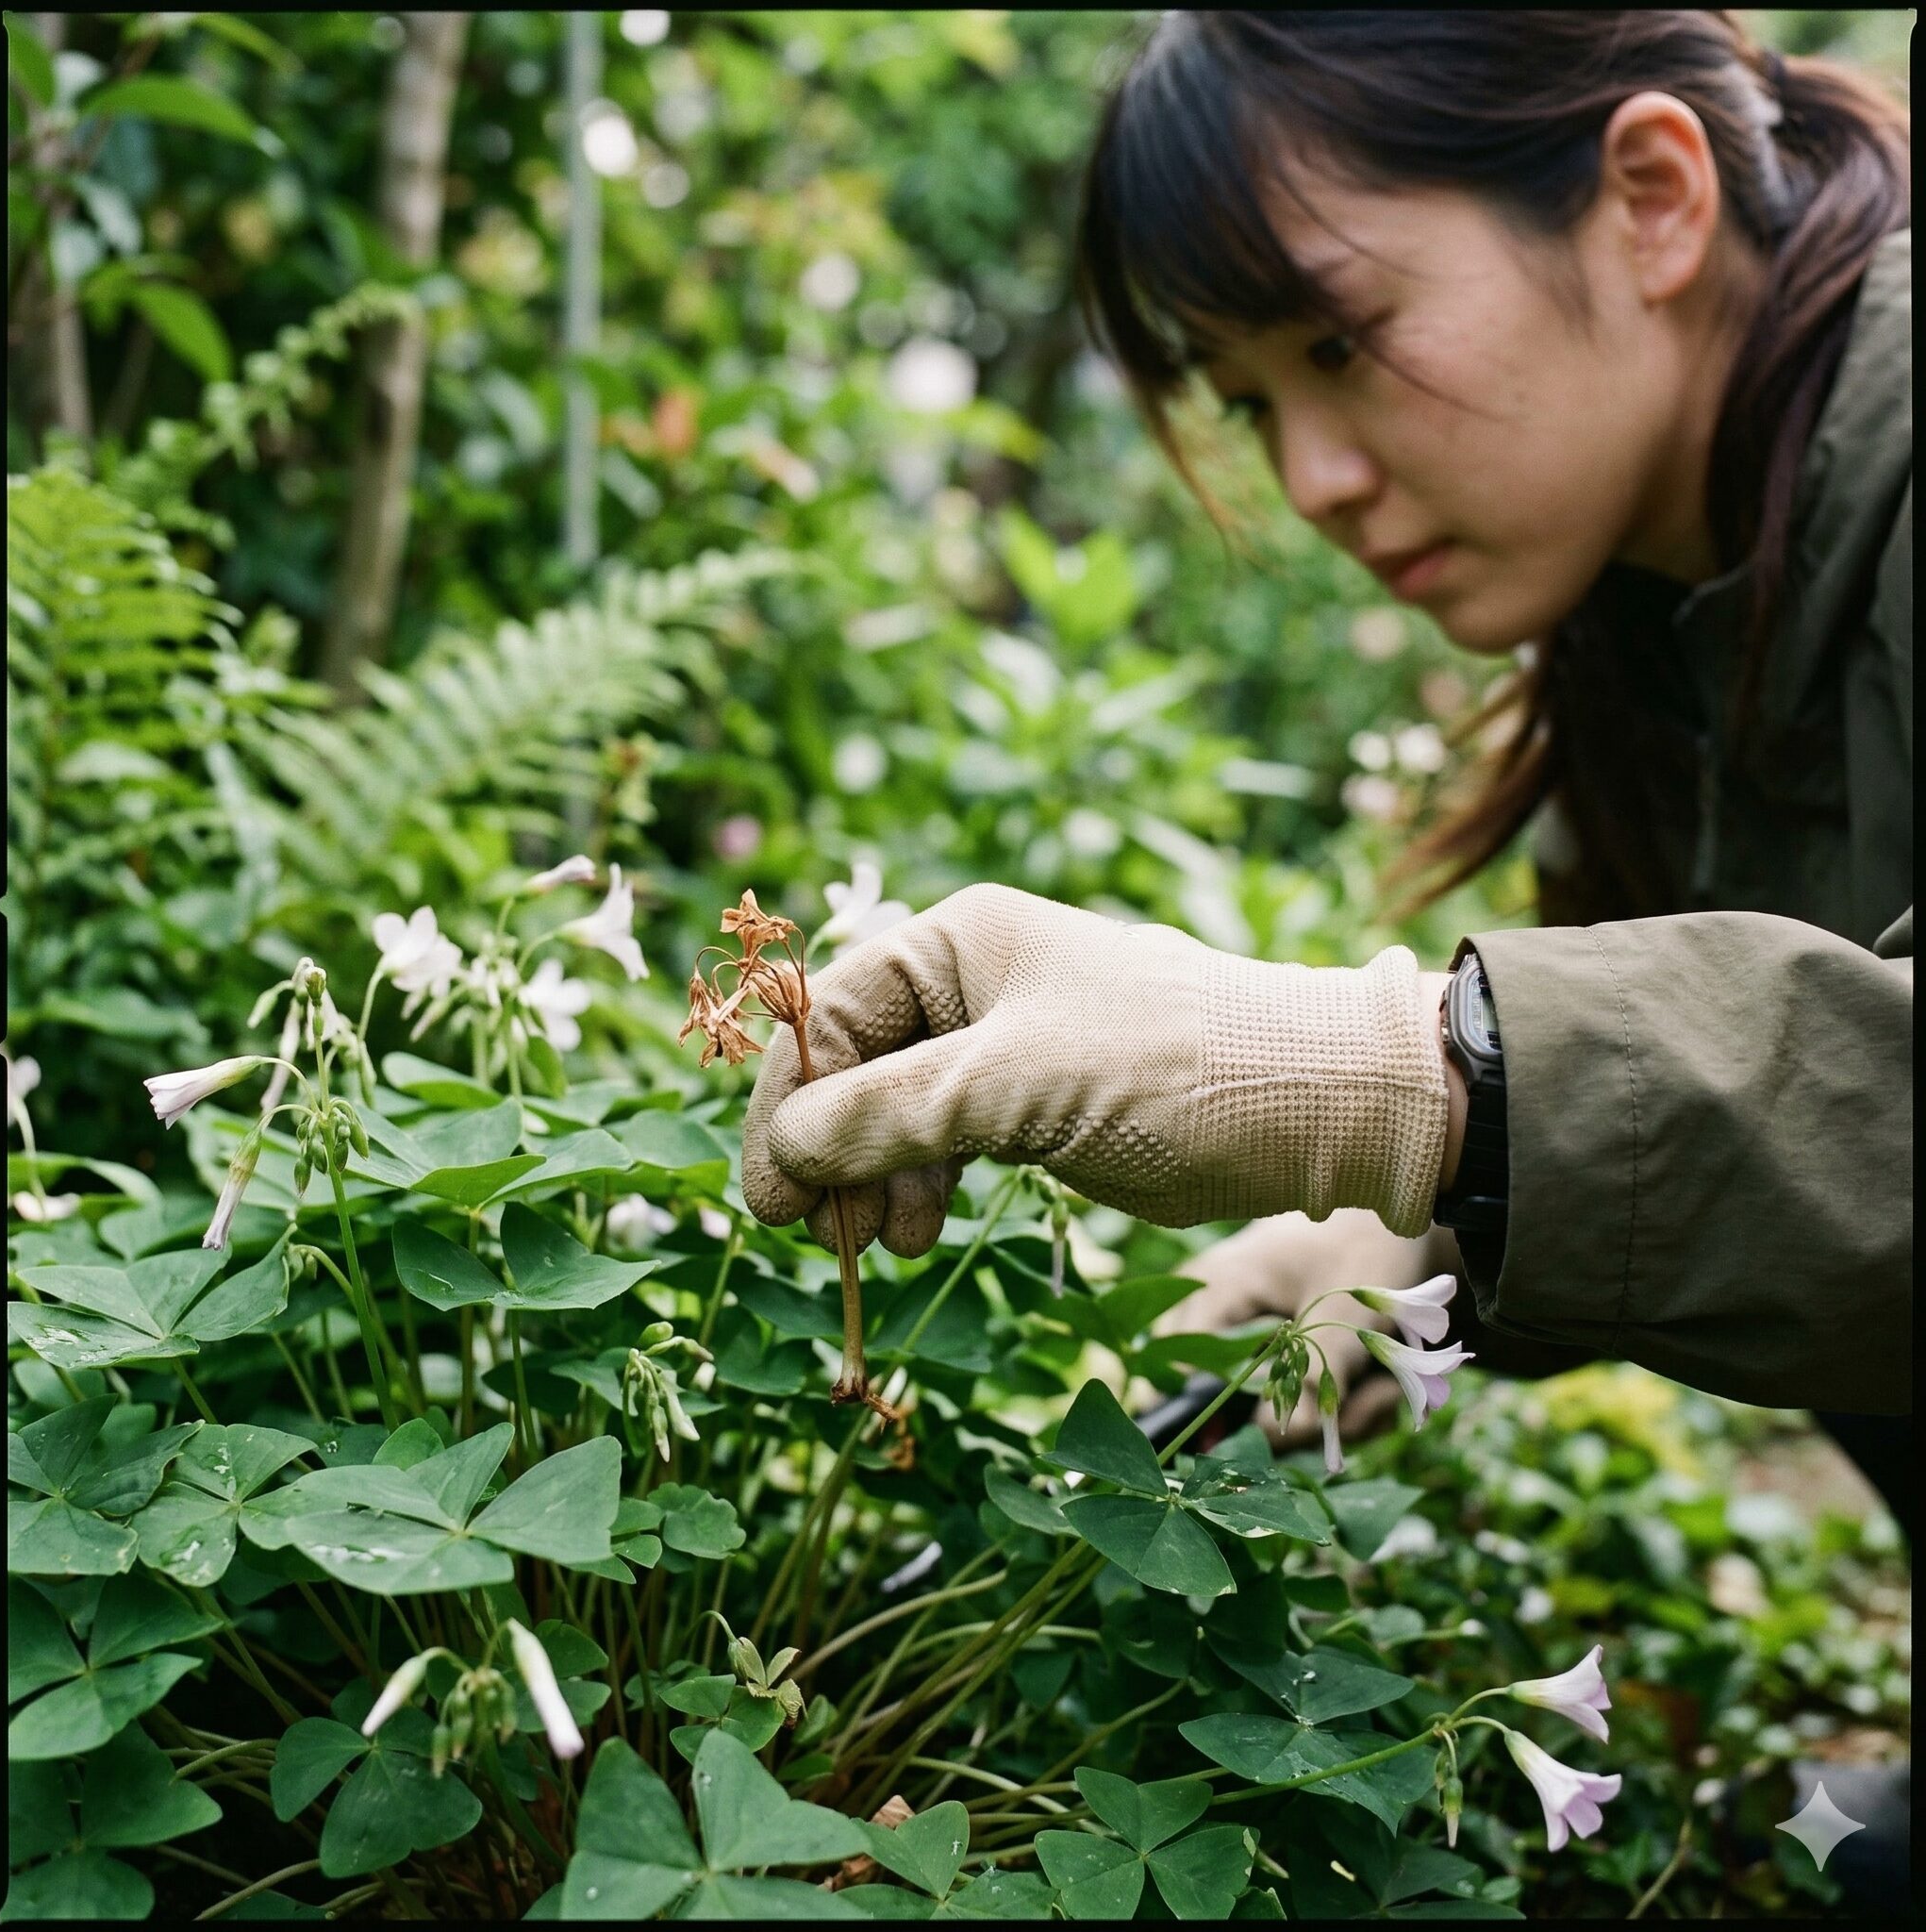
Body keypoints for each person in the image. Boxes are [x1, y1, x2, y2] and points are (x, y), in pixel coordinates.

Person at [738, 13, 1911, 1519]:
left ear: (1653, 200)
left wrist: (1396, 1081)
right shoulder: (1657, 633)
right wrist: (1423, 1247)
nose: (1312, 483)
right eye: (1249, 404)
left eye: (1341, 344)